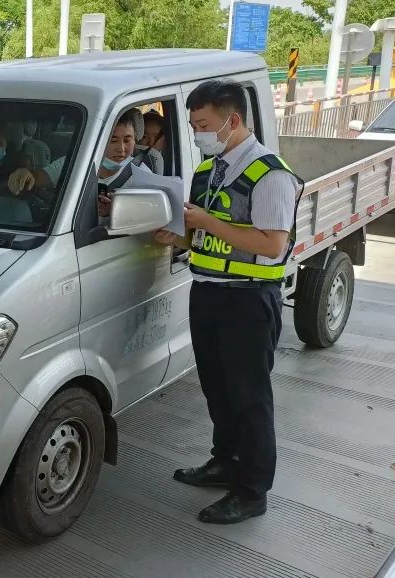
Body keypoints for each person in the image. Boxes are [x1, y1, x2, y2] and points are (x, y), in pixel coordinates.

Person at [154, 79, 301, 525]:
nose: (197, 133)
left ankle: (252, 491)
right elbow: (199, 236)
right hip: (208, 293)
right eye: (194, 125)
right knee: (217, 389)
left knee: (249, 398)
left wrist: (206, 222)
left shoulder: (269, 174)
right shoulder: (207, 171)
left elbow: (272, 243)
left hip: (249, 300)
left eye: (203, 125)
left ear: (232, 120)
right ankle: (225, 462)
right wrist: (176, 236)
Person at [96, 109, 150, 220]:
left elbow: (149, 216)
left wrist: (117, 212)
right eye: (113, 140)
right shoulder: (74, 164)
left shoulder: (142, 174)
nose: (121, 149)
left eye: (127, 140)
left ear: (134, 141)